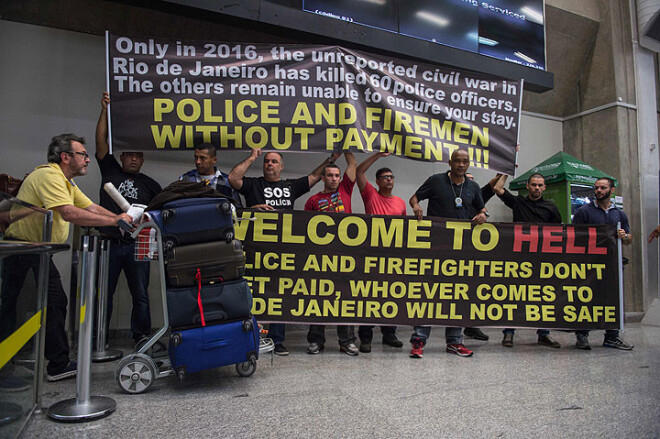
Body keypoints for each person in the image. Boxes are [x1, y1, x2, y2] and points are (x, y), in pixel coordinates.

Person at [1, 134, 132, 381]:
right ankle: (49, 364)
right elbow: (69, 213)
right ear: (65, 157)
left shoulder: (66, 182)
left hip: (38, 250)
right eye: (82, 154)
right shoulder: (49, 176)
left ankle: (55, 363)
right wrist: (115, 221)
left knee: (45, 303)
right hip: (23, 249)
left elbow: (90, 207)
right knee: (18, 305)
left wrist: (124, 219)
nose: (87, 160)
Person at [228, 148, 337, 355]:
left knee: (279, 295)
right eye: (267, 161)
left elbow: (314, 176)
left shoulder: (291, 186)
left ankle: (277, 341)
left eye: (274, 161)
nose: (269, 164)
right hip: (255, 250)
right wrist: (252, 157)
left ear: (281, 166)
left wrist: (331, 159)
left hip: (282, 252)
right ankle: (253, 338)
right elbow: (234, 178)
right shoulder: (253, 185)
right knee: (253, 293)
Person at [96, 92, 162, 345]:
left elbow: (160, 211)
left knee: (141, 294)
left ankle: (142, 337)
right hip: (108, 242)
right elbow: (100, 142)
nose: (134, 159)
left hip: (137, 245)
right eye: (129, 155)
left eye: (138, 155)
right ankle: (97, 339)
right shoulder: (111, 170)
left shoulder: (150, 184)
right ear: (122, 157)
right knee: (103, 294)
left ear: (142, 160)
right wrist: (104, 111)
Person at [409, 149, 487, 358]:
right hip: (435, 247)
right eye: (457, 161)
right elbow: (414, 197)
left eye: (465, 162)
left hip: (461, 250)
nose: (461, 165)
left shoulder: (473, 187)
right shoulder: (436, 180)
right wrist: (416, 207)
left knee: (457, 294)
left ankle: (454, 342)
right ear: (450, 162)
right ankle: (419, 340)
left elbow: (482, 209)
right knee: (429, 293)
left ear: (468, 164)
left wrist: (482, 215)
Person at [491, 173, 563, 348]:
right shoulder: (518, 202)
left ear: (544, 187)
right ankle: (508, 333)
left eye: (540, 185)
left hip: (543, 260)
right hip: (520, 259)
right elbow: (497, 189)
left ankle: (544, 334)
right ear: (528, 187)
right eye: (533, 185)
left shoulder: (551, 208)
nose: (536, 188)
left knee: (544, 297)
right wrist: (507, 170)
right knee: (514, 296)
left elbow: (560, 233)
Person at [304, 152, 360, 356]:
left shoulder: (346, 189)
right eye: (330, 175)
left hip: (345, 257)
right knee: (318, 298)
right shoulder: (313, 201)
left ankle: (347, 341)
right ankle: (316, 341)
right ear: (322, 178)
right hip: (320, 259)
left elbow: (353, 163)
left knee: (345, 298)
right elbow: (307, 231)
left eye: (337, 175)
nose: (335, 178)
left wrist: (346, 145)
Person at [572, 177, 634, 350]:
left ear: (612, 190)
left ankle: (612, 336)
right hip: (590, 264)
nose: (599, 190)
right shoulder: (584, 212)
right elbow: (575, 237)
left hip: (613, 264)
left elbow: (629, 239)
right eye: (597, 188)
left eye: (603, 188)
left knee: (613, 299)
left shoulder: (619, 214)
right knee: (586, 299)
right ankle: (582, 335)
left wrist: (625, 236)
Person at [354, 152, 405, 353]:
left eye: (391, 177)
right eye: (385, 177)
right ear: (377, 181)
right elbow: (359, 171)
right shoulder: (370, 194)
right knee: (369, 295)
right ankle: (366, 337)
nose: (389, 180)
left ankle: (389, 333)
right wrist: (378, 155)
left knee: (390, 295)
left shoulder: (400, 203)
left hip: (392, 257)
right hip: (372, 254)